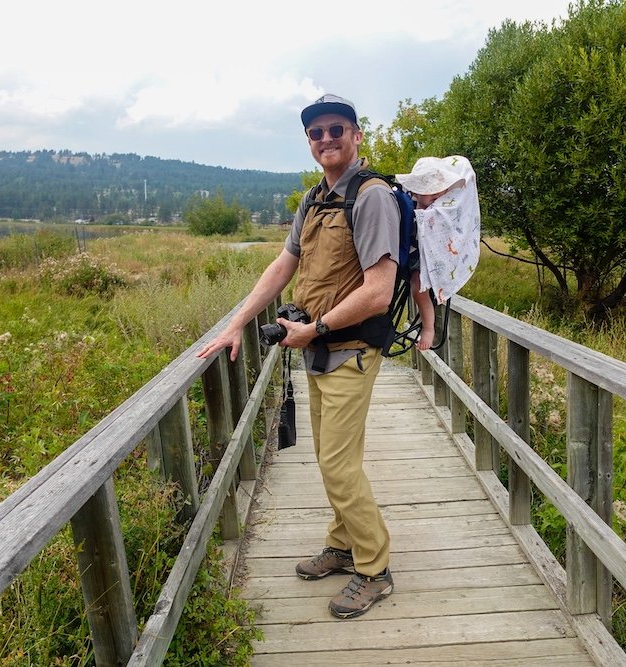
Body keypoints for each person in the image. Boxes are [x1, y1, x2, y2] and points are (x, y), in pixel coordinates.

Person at [197, 93, 399, 619]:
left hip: (349, 350)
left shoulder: (371, 196)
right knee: (331, 460)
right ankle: (342, 543)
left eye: (337, 129)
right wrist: (237, 321)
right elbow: (282, 267)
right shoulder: (315, 201)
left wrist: (317, 329)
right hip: (318, 351)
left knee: (337, 464)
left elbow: (379, 291)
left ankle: (374, 569)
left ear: (357, 135)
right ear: (309, 143)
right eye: (316, 133)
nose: (326, 139)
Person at [396, 155, 481, 310]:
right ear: (416, 191)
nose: (435, 193)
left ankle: (429, 327)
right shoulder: (411, 207)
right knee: (411, 284)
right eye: (428, 189)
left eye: (439, 188)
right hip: (412, 256)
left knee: (418, 285)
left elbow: (448, 229)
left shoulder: (441, 211)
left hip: (428, 261)